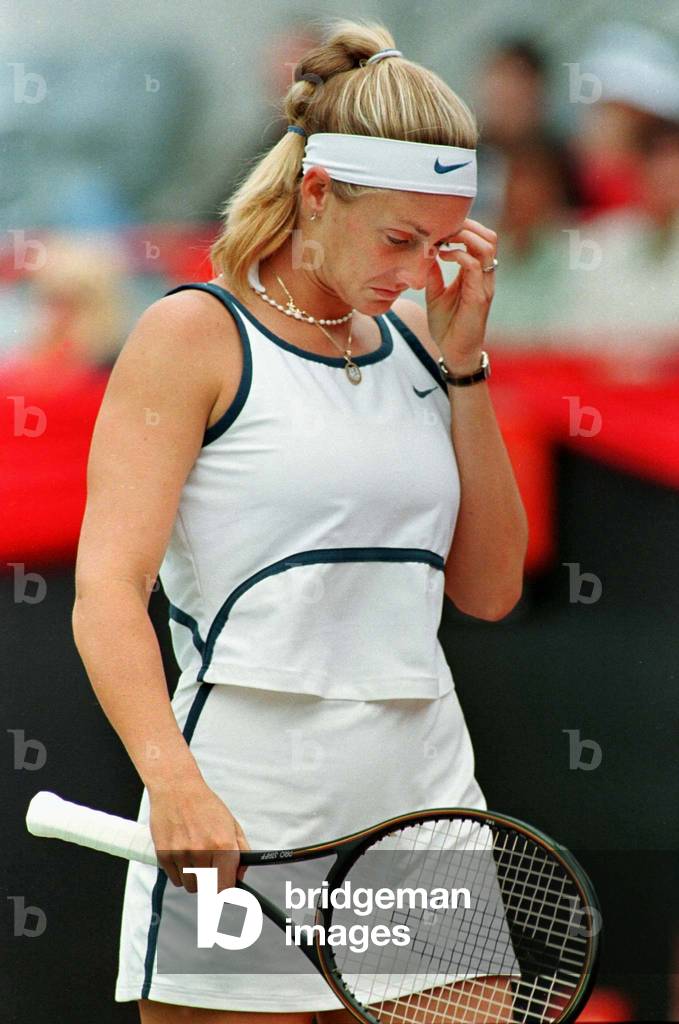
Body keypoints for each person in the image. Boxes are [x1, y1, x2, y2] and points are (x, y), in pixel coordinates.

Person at [71, 18, 528, 1023]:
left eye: (440, 242)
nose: (416, 270)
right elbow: (107, 587)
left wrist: (463, 366)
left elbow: (490, 590)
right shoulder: (190, 332)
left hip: (423, 807)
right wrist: (173, 783)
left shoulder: (426, 343)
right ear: (317, 195)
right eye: (397, 238)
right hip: (244, 804)